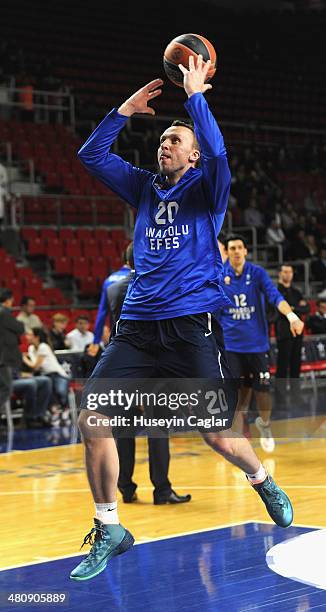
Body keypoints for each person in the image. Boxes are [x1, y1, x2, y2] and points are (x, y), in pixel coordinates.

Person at [71, 57, 296, 582]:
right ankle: (110, 527)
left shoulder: (208, 192)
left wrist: (196, 97)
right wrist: (125, 111)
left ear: (193, 157)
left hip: (190, 324)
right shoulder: (144, 188)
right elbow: (90, 154)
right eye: (163, 139)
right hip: (137, 326)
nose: (164, 144)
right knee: (93, 420)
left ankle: (262, 479)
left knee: (216, 432)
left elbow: (219, 153)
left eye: (175, 141)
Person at [108, 242, 191, 505]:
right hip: (150, 369)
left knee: (123, 430)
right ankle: (162, 491)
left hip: (120, 367)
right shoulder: (154, 288)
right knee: (158, 429)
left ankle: (125, 488)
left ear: (126, 261)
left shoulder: (113, 289)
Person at [216, 235, 304, 452]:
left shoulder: (257, 273)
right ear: (227, 252)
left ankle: (264, 425)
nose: (236, 251)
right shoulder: (220, 276)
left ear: (245, 251)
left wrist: (292, 317)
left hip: (257, 346)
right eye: (232, 248)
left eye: (239, 247)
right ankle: (238, 447)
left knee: (262, 391)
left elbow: (275, 297)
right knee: (238, 399)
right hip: (232, 348)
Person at [88, 245, 133, 357]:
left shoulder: (109, 280)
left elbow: (102, 313)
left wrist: (96, 341)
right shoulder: (139, 277)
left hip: (117, 335)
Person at [23, 328, 70, 426]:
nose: (26, 337)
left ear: (36, 337)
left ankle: (65, 408)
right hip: (44, 375)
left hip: (57, 373)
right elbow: (35, 368)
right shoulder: (31, 348)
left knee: (60, 391)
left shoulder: (43, 346)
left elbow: (35, 366)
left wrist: (23, 358)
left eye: (29, 334)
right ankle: (54, 412)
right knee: (46, 389)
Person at [275, 264, 310, 395]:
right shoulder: (276, 291)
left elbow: (306, 308)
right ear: (279, 273)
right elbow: (277, 311)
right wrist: (295, 308)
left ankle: (296, 394)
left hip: (298, 333)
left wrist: (292, 308)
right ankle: (280, 396)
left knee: (296, 365)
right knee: (282, 366)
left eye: (290, 272)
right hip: (284, 332)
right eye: (285, 271)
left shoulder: (296, 292)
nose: (288, 274)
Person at [0, 288, 25, 413]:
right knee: (6, 388)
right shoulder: (3, 312)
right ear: (8, 300)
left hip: (4, 358)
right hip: (3, 358)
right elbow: (19, 328)